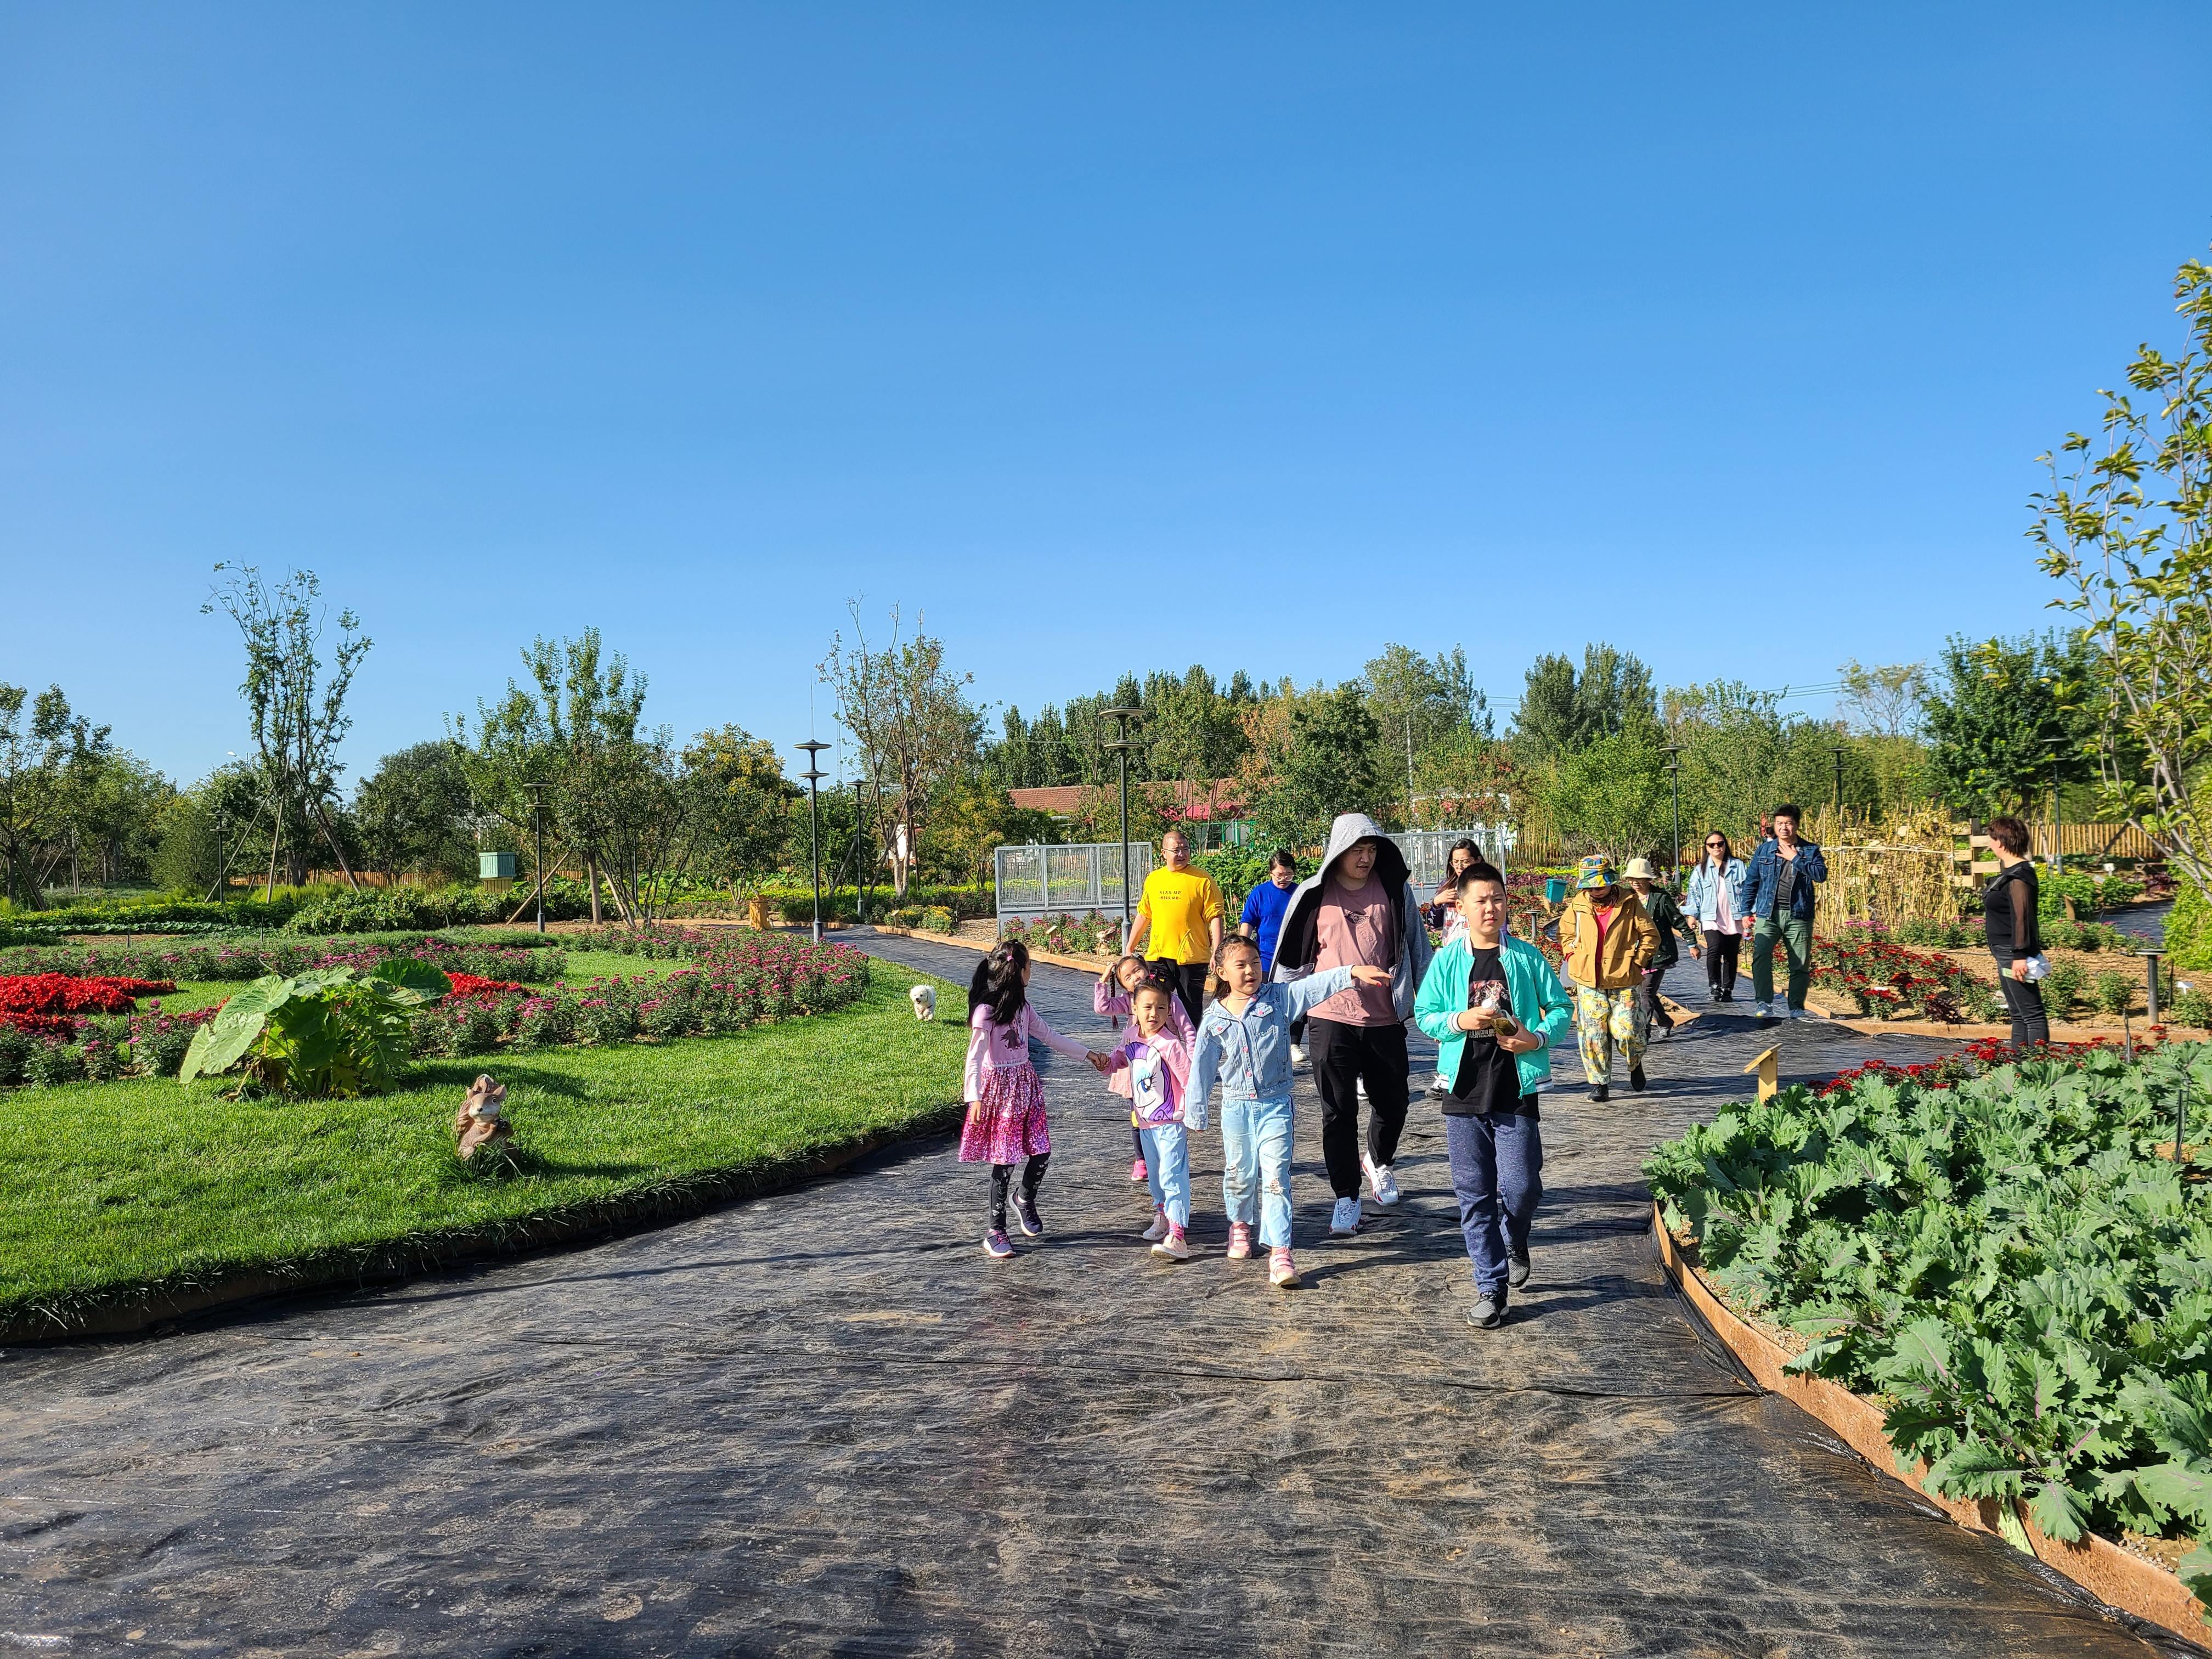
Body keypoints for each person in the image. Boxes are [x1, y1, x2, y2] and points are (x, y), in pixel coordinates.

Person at [1413, 861, 1574, 1329]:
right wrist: (1458, 1021)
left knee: (1521, 1186)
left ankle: (1515, 1235)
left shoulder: (1524, 957)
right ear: (1461, 906)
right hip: (1462, 1091)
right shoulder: (1447, 960)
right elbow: (1425, 1014)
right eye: (1481, 900)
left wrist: (1536, 1039)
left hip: (1515, 1088)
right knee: (1473, 1193)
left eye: (1498, 898)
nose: (1491, 907)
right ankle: (1491, 1288)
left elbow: (1561, 1006)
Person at [1268, 812, 1435, 1236]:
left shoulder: (1395, 891)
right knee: (1337, 1112)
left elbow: (1418, 948)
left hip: (1384, 1016)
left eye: (1372, 849)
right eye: (1358, 849)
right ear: (1339, 851)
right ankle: (1346, 1197)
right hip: (1329, 1017)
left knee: (1394, 1102)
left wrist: (1431, 998)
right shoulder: (1311, 894)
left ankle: (1378, 1161)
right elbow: (1290, 958)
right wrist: (1275, 1014)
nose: (1365, 857)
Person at [1188, 938, 1390, 1286]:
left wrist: (1351, 972)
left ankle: (1280, 1251)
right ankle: (1239, 1224)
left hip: (1276, 1105)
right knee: (1239, 1173)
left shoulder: (1278, 999)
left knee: (1276, 1178)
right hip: (1235, 1108)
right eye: (1241, 965)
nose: (1251, 970)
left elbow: (1313, 986)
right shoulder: (1214, 1018)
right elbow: (1202, 1068)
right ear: (1220, 972)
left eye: (1255, 962)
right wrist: (1196, 1109)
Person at [962, 940, 1111, 1259]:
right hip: (999, 1094)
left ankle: (1025, 1198)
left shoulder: (1024, 1010)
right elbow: (974, 1058)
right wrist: (973, 1098)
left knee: (1041, 1152)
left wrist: (1090, 1055)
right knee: (1005, 1162)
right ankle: (995, 1230)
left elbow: (1051, 1037)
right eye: (1031, 966)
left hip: (1026, 1089)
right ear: (1020, 971)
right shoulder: (986, 1012)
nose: (1033, 971)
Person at [1106, 970, 1199, 1261]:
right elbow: (1122, 1057)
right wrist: (1104, 1062)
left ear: (1170, 1010)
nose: (1154, 1014)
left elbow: (1188, 1080)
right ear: (1134, 1008)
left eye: (1161, 1008)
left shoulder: (1170, 1044)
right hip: (1145, 1121)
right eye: (1147, 1007)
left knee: (1173, 1176)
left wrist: (1192, 1112)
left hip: (1171, 1122)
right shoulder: (1131, 1034)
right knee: (1156, 1178)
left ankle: (1178, 1234)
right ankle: (1163, 1217)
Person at [1556, 854, 1659, 1102]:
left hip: (1624, 978)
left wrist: (1637, 960)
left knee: (1626, 1030)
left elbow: (1650, 935)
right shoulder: (1578, 905)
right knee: (1593, 1033)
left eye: (1600, 885)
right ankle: (1599, 1083)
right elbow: (1564, 933)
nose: (1595, 890)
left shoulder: (1629, 902)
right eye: (1590, 886)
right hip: (1588, 979)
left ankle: (1635, 1062)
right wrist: (1572, 955)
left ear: (1611, 883)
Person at [1096, 952, 1194, 1184]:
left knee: (1167, 1113)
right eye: (1127, 977)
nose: (1134, 977)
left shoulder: (1169, 999)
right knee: (1138, 1115)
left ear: (1147, 969)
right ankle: (1143, 1159)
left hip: (1168, 1066)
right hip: (1138, 1067)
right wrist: (1103, 981)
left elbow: (1188, 1030)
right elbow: (1102, 1008)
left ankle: (1170, 1159)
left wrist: (1190, 1059)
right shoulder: (1128, 1005)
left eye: (1137, 970)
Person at [1126, 828, 1223, 1030]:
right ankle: (1161, 1053)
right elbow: (1144, 914)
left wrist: (1218, 951)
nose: (1181, 854)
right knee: (1156, 1005)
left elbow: (1215, 915)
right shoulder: (1154, 879)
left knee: (1191, 1010)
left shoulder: (1202, 879)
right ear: (1164, 853)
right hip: (1159, 957)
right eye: (1176, 850)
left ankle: (1194, 1055)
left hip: (1192, 958)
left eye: (1185, 849)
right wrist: (1130, 947)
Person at [1740, 804, 1828, 1020]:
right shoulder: (1764, 850)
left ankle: (1796, 1007)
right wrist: (1745, 911)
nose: (1784, 828)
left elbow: (1821, 875)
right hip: (1767, 914)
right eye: (1779, 823)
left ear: (1797, 825)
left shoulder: (1810, 850)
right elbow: (1752, 881)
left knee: (1799, 962)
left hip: (1798, 915)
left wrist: (1795, 858)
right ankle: (1764, 1002)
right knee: (1761, 955)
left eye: (1788, 823)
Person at [1423, 838, 1484, 1097]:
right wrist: (1437, 902)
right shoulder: (1447, 888)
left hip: (1479, 957)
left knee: (1477, 1015)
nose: (1460, 867)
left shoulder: (1484, 886)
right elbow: (1433, 923)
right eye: (1456, 862)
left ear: (1477, 861)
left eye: (1466, 862)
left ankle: (1475, 1072)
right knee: (1448, 1015)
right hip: (1451, 959)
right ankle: (1446, 1074)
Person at [1983, 815, 2050, 1049]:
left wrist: (2020, 955)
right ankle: (2020, 1069)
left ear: (2001, 842)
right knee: (2018, 1014)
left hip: (2014, 954)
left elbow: (2023, 917)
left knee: (2032, 1014)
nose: (1989, 844)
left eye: (1991, 839)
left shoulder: (2019, 876)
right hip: (2005, 952)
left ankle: (2039, 1069)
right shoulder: (2010, 873)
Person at [1623, 857, 1700, 1034]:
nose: (1635, 882)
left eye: (1639, 878)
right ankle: (1664, 1021)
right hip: (1634, 953)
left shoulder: (1660, 898)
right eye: (1631, 878)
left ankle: (1643, 1032)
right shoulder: (1627, 897)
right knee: (1645, 991)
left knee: (1646, 992)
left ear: (1648, 879)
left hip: (1657, 953)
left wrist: (1692, 943)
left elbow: (1678, 921)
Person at [1683, 832, 1751, 1002]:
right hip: (1710, 916)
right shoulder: (1701, 870)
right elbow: (1694, 893)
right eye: (1711, 845)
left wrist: (1749, 913)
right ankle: (1714, 986)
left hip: (1733, 916)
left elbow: (1748, 890)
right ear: (1706, 848)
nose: (1716, 847)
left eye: (1719, 843)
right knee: (1714, 949)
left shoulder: (1737, 866)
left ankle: (1728, 988)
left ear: (1725, 845)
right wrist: (1692, 914)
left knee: (1731, 953)